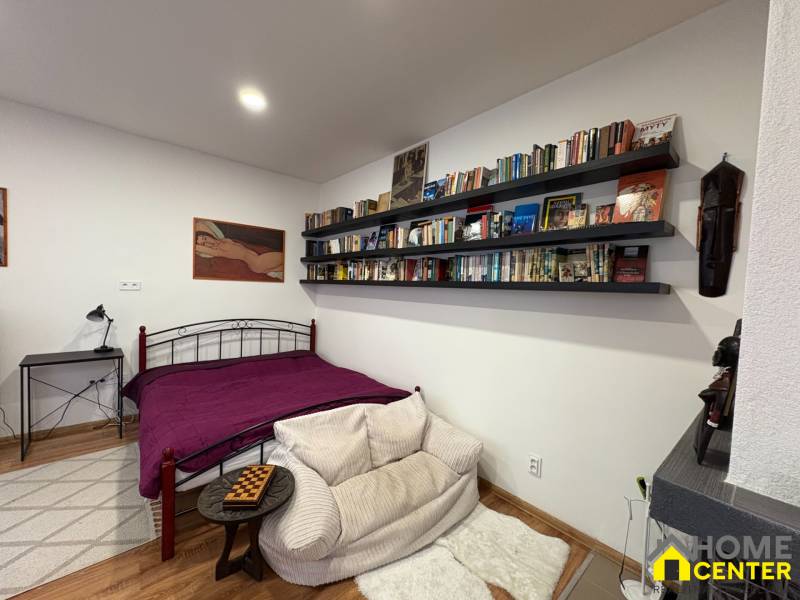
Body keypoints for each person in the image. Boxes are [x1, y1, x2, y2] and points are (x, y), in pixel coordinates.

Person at [195, 220, 283, 279]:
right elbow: (197, 248)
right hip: (256, 261)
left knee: (281, 267)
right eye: (204, 244)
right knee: (282, 261)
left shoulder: (222, 240)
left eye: (205, 239)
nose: (207, 244)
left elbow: (200, 225)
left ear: (208, 235)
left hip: (256, 262)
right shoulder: (218, 250)